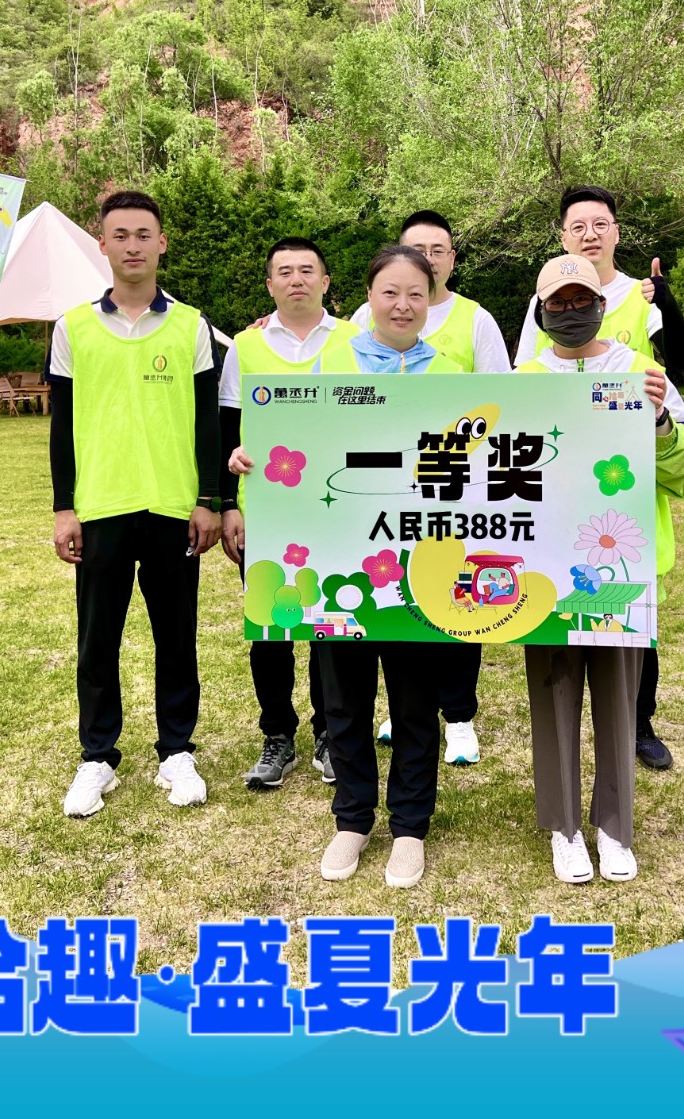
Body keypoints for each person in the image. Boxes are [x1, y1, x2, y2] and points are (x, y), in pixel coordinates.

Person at [230, 246, 462, 889]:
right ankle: (353, 818)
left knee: (415, 703)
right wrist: (251, 455)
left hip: (419, 562)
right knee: (345, 701)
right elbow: (294, 443)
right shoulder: (330, 363)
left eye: (415, 293)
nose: (402, 305)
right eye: (389, 292)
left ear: (430, 299)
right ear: (368, 297)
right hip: (341, 562)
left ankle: (410, 826)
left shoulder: (453, 374)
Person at [516, 254, 684, 884]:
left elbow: (683, 473)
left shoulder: (644, 373)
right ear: (541, 313)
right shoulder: (522, 379)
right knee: (554, 693)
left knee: (620, 699)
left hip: (621, 566)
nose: (570, 312)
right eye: (557, 303)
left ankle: (615, 828)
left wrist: (662, 422)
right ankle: (564, 826)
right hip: (544, 567)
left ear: (602, 305)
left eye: (581, 300)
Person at [49, 190, 221, 818]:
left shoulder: (191, 325)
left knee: (177, 636)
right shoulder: (71, 327)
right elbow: (61, 425)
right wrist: (64, 507)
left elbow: (208, 422)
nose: (132, 246)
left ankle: (176, 751)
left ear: (161, 243)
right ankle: (97, 756)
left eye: (144, 234)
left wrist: (208, 500)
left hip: (174, 507)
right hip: (101, 506)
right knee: (98, 639)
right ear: (102, 244)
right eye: (120, 235)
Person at [350, 210, 511, 767]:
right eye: (416, 249)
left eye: (437, 250)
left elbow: (501, 402)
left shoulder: (474, 320)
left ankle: (459, 716)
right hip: (374, 491)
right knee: (392, 599)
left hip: (449, 486)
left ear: (449, 260)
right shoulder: (359, 327)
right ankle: (403, 708)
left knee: (455, 596)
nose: (426, 259)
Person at [219, 238, 359, 791]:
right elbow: (227, 427)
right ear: (270, 284)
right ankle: (277, 735)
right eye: (284, 271)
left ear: (325, 282)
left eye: (306, 270)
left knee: (331, 624)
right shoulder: (246, 346)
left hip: (336, 508)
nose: (296, 279)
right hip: (266, 509)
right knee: (270, 628)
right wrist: (228, 490)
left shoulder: (355, 339)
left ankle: (330, 733)